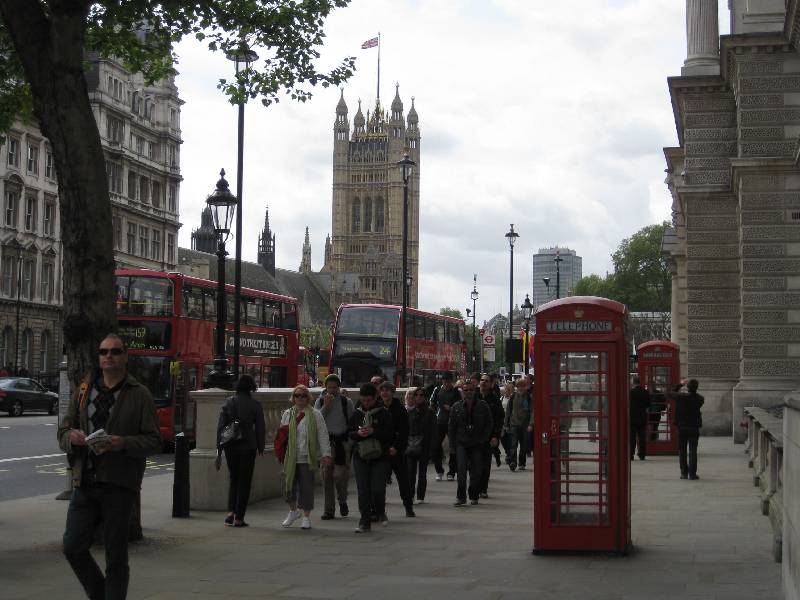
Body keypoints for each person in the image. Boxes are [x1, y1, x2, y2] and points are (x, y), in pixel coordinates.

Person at [58, 333, 162, 600]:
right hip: (86, 482)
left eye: (115, 352)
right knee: (72, 546)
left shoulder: (139, 395)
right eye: (104, 352)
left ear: (125, 357)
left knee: (116, 556)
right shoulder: (85, 390)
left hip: (119, 485)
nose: (108, 356)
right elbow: (64, 429)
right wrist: (71, 437)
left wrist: (122, 443)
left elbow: (154, 441)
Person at [280, 385, 331, 530]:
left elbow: (322, 434)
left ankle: (306, 517)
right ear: (293, 398)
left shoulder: (315, 414)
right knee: (287, 486)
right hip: (290, 456)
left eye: (303, 395)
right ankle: (293, 511)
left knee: (306, 488)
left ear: (308, 397)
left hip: (307, 456)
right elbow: (282, 436)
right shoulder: (288, 414)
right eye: (297, 395)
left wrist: (326, 454)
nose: (300, 398)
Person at [218, 374, 266, 527]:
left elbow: (221, 427)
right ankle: (239, 517)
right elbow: (260, 428)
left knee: (234, 479)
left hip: (231, 445)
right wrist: (261, 447)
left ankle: (230, 513)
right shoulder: (255, 405)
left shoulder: (228, 403)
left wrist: (219, 449)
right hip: (248, 446)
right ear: (251, 388)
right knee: (244, 482)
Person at [349, 382, 393, 533]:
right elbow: (349, 433)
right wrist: (358, 434)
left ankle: (380, 510)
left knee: (377, 489)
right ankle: (364, 521)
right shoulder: (357, 413)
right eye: (363, 400)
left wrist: (373, 431)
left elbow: (389, 434)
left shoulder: (384, 413)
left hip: (380, 456)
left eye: (369, 400)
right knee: (363, 490)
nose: (366, 403)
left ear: (376, 397)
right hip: (360, 455)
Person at [314, 373, 355, 520]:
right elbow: (316, 420)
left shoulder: (346, 402)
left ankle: (342, 500)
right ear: (325, 387)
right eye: (329, 387)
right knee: (327, 477)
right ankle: (328, 510)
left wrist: (350, 442)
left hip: (341, 443)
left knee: (339, 476)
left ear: (339, 387)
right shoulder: (319, 401)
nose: (332, 390)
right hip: (326, 443)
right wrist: (326, 406)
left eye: (334, 387)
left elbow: (352, 422)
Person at [449, 378, 493, 506]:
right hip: (461, 443)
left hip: (477, 443)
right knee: (461, 471)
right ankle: (461, 497)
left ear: (475, 391)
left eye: (471, 390)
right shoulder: (456, 407)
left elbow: (489, 423)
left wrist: (484, 438)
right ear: (462, 391)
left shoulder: (483, 405)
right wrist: (452, 445)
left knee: (477, 471)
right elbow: (451, 427)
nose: (468, 392)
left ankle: (473, 494)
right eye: (466, 390)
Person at [378, 381, 415, 517]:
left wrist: (396, 447)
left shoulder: (400, 409)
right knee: (379, 482)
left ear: (392, 393)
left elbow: (404, 432)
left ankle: (408, 507)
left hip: (397, 451)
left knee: (403, 481)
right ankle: (379, 510)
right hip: (381, 451)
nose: (385, 393)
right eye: (383, 390)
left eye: (388, 390)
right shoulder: (378, 407)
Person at [429, 371, 461, 481]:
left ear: (451, 381)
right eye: (444, 381)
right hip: (439, 421)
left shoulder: (457, 392)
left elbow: (461, 406)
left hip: (452, 423)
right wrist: (434, 412)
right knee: (435, 446)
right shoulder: (437, 390)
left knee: (453, 447)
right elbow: (431, 403)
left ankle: (451, 472)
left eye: (448, 381)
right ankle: (439, 470)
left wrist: (452, 409)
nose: (446, 383)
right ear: (442, 381)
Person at [475, 373, 503, 498]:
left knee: (485, 465)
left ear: (491, 384)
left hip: (488, 436)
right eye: (482, 380)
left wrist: (496, 436)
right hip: (473, 437)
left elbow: (499, 419)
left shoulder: (495, 400)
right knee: (474, 465)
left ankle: (483, 489)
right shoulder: (473, 396)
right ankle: (475, 487)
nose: (483, 382)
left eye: (486, 381)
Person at [406, 386, 435, 504]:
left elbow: (434, 431)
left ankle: (420, 496)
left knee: (422, 473)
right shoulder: (409, 411)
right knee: (411, 473)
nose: (418, 397)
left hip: (424, 445)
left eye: (421, 395)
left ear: (425, 397)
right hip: (411, 445)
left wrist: (433, 449)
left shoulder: (430, 412)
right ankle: (411, 495)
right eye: (416, 395)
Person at [671, 379, 704, 480]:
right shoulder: (700, 399)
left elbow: (670, 393)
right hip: (694, 427)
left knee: (682, 451)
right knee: (693, 451)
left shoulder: (681, 397)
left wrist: (680, 384)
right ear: (696, 387)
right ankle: (692, 474)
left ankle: (684, 473)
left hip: (682, 427)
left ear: (687, 387)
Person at [504, 377, 534, 471]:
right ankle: (513, 462)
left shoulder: (529, 398)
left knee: (524, 445)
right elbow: (508, 412)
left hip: (525, 425)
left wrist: (531, 424)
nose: (520, 388)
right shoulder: (513, 397)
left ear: (526, 387)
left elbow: (533, 412)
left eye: (522, 386)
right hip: (514, 424)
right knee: (513, 444)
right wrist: (506, 424)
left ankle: (522, 463)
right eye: (518, 386)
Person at [629, 376, 651, 461]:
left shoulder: (631, 392)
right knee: (642, 437)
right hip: (642, 417)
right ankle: (642, 454)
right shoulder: (645, 392)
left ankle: (631, 454)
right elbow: (648, 404)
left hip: (632, 417)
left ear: (633, 382)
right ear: (639, 382)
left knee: (632, 437)